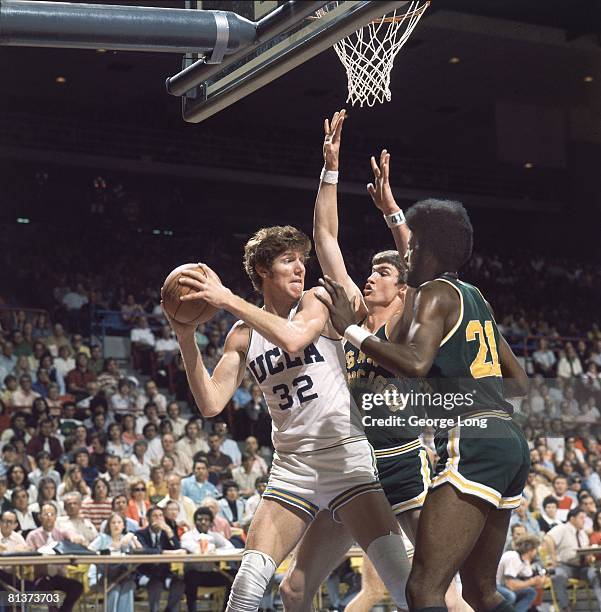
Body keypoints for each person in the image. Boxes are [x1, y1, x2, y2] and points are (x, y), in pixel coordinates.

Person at [169, 222, 412, 609]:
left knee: (405, 588)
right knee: (251, 587)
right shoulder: (242, 335)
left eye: (302, 260)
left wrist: (227, 298)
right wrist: (185, 337)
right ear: (263, 271)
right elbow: (211, 403)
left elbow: (295, 338)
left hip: (345, 457)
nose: (300, 268)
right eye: (288, 261)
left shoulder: (316, 299)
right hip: (292, 467)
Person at [318, 196, 530, 610]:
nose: (407, 254)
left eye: (411, 248)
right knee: (480, 592)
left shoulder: (434, 293)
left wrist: (353, 332)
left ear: (429, 251)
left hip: (471, 441)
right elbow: (518, 381)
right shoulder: (475, 297)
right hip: (508, 442)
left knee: (423, 589)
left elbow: (416, 364)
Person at [25, 503, 85, 612]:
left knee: (77, 586)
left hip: (59, 576)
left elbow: (73, 535)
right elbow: (28, 554)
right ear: (40, 517)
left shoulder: (61, 533)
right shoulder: (32, 535)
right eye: (46, 514)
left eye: (52, 514)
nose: (49, 517)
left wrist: (75, 538)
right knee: (47, 589)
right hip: (41, 577)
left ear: (56, 517)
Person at [544, 508, 601, 610]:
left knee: (595, 574)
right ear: (572, 519)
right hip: (565, 565)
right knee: (558, 575)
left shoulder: (583, 533)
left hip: (582, 567)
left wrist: (590, 557)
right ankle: (565, 607)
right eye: (581, 518)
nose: (584, 520)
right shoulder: (562, 528)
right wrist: (553, 558)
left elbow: (585, 551)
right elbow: (548, 538)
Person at [181, 506, 235, 612]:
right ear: (195, 521)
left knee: (235, 575)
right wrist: (210, 547)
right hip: (193, 573)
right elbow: (194, 549)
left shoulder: (214, 535)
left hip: (210, 572)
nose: (203, 522)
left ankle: (226, 609)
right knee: (191, 577)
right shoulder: (187, 536)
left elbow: (230, 547)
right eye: (200, 519)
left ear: (210, 522)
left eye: (206, 520)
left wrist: (217, 550)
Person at [135, 506, 185, 612]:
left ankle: (169, 610)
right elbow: (144, 551)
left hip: (165, 573)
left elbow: (178, 550)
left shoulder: (167, 533)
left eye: (161, 516)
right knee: (155, 584)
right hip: (146, 573)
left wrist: (169, 530)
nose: (158, 518)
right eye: (155, 516)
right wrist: (164, 552)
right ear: (148, 519)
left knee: (180, 583)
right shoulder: (140, 534)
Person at [88, 512, 141, 612]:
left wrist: (132, 536)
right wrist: (102, 553)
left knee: (128, 585)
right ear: (109, 525)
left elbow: (140, 551)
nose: (116, 525)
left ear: (123, 525)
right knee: (114, 588)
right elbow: (89, 551)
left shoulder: (126, 538)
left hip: (124, 574)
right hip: (105, 576)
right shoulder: (102, 538)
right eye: (113, 523)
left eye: (119, 522)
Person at [496, 534, 544, 611]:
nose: (536, 552)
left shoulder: (523, 559)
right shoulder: (513, 557)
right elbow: (511, 585)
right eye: (536, 549)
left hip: (504, 586)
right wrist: (532, 582)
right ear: (531, 550)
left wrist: (537, 580)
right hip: (495, 586)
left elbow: (529, 575)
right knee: (510, 596)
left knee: (531, 592)